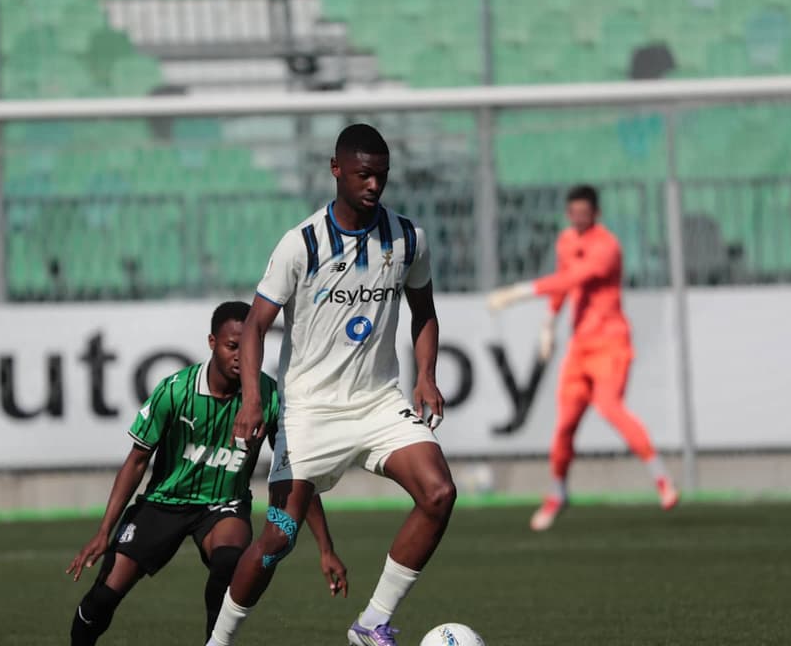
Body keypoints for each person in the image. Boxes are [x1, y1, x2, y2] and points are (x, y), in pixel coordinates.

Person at [206, 124, 456, 646]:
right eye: (363, 174)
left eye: (382, 176)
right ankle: (219, 642)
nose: (373, 185)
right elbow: (254, 325)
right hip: (309, 414)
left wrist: (426, 375)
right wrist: (253, 399)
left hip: (378, 402)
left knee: (438, 492)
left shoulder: (409, 238)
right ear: (336, 169)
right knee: (277, 538)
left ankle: (371, 624)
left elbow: (424, 311)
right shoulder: (301, 244)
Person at [67, 301, 346, 645]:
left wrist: (325, 548)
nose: (239, 356)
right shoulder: (175, 391)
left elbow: (296, 474)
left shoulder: (269, 397)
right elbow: (137, 461)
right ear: (212, 342)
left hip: (223, 505)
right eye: (232, 346)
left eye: (247, 347)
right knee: (103, 599)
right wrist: (103, 531)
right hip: (162, 503)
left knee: (230, 563)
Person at [486, 184, 679, 531]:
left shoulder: (607, 246)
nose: (577, 219)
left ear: (596, 214)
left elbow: (576, 276)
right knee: (564, 427)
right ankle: (558, 492)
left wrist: (520, 292)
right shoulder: (565, 241)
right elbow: (564, 286)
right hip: (580, 347)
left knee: (608, 406)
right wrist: (548, 322)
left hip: (611, 342)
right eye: (572, 213)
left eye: (584, 214)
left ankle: (661, 478)